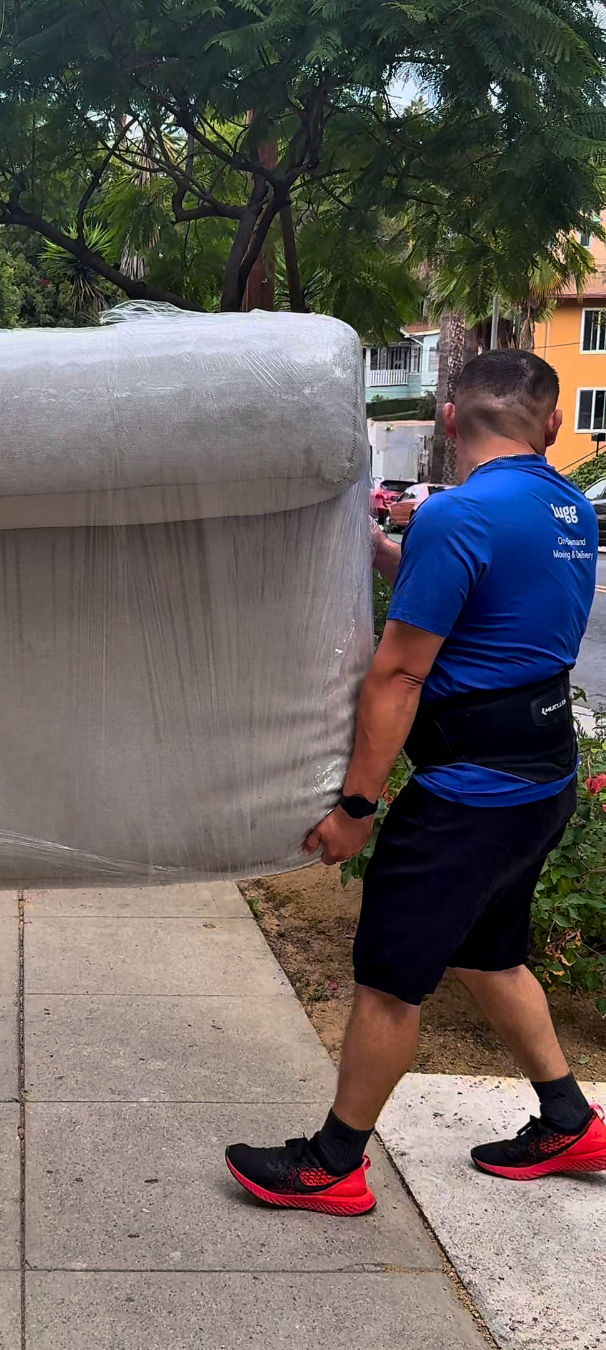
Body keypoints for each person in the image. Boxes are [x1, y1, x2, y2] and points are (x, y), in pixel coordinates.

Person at [226, 348, 606, 1215]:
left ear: (448, 420)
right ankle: (569, 1121)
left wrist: (357, 806)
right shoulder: (569, 507)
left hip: (471, 796)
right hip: (543, 778)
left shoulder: (460, 514)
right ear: (552, 426)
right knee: (488, 953)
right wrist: (380, 549)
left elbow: (398, 676)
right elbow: (484, 595)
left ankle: (332, 1165)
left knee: (389, 983)